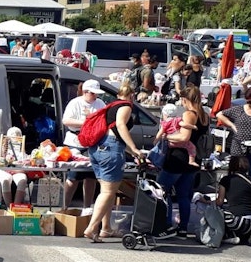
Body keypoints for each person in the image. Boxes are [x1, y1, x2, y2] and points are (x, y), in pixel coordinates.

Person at [82, 82, 144, 242]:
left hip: (97, 149)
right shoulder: (126, 106)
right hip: (110, 150)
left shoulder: (111, 106)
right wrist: (134, 147)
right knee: (108, 192)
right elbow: (120, 126)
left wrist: (131, 152)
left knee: (106, 191)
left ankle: (106, 228)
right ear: (132, 96)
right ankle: (91, 228)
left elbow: (113, 132)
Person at [156, 85, 210, 238]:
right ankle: (183, 228)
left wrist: (166, 137)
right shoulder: (204, 115)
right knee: (184, 196)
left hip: (179, 158)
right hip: (194, 159)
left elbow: (184, 137)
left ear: (185, 99)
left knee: (161, 190)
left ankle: (165, 225)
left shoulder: (189, 114)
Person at [62, 79, 104, 209]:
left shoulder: (100, 103)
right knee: (74, 177)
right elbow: (66, 120)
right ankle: (65, 206)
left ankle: (87, 207)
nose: (95, 96)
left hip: (92, 141)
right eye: (93, 93)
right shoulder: (75, 103)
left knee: (91, 177)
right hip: (76, 141)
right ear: (85, 92)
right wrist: (86, 121)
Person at [217, 155, 251, 245]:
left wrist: (207, 201)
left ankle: (230, 236)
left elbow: (220, 201)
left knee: (221, 212)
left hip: (238, 222)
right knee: (244, 215)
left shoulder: (225, 180)